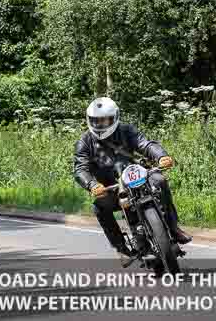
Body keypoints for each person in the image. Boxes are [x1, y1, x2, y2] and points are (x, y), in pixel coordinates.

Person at [73, 97, 192, 257]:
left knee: (160, 180)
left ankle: (173, 227)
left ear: (115, 117)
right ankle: (120, 246)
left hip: (137, 178)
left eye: (105, 120)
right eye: (96, 121)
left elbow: (145, 144)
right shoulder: (85, 141)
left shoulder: (126, 130)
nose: (100, 125)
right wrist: (92, 184)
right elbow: (80, 168)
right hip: (110, 188)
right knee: (99, 207)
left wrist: (161, 156)